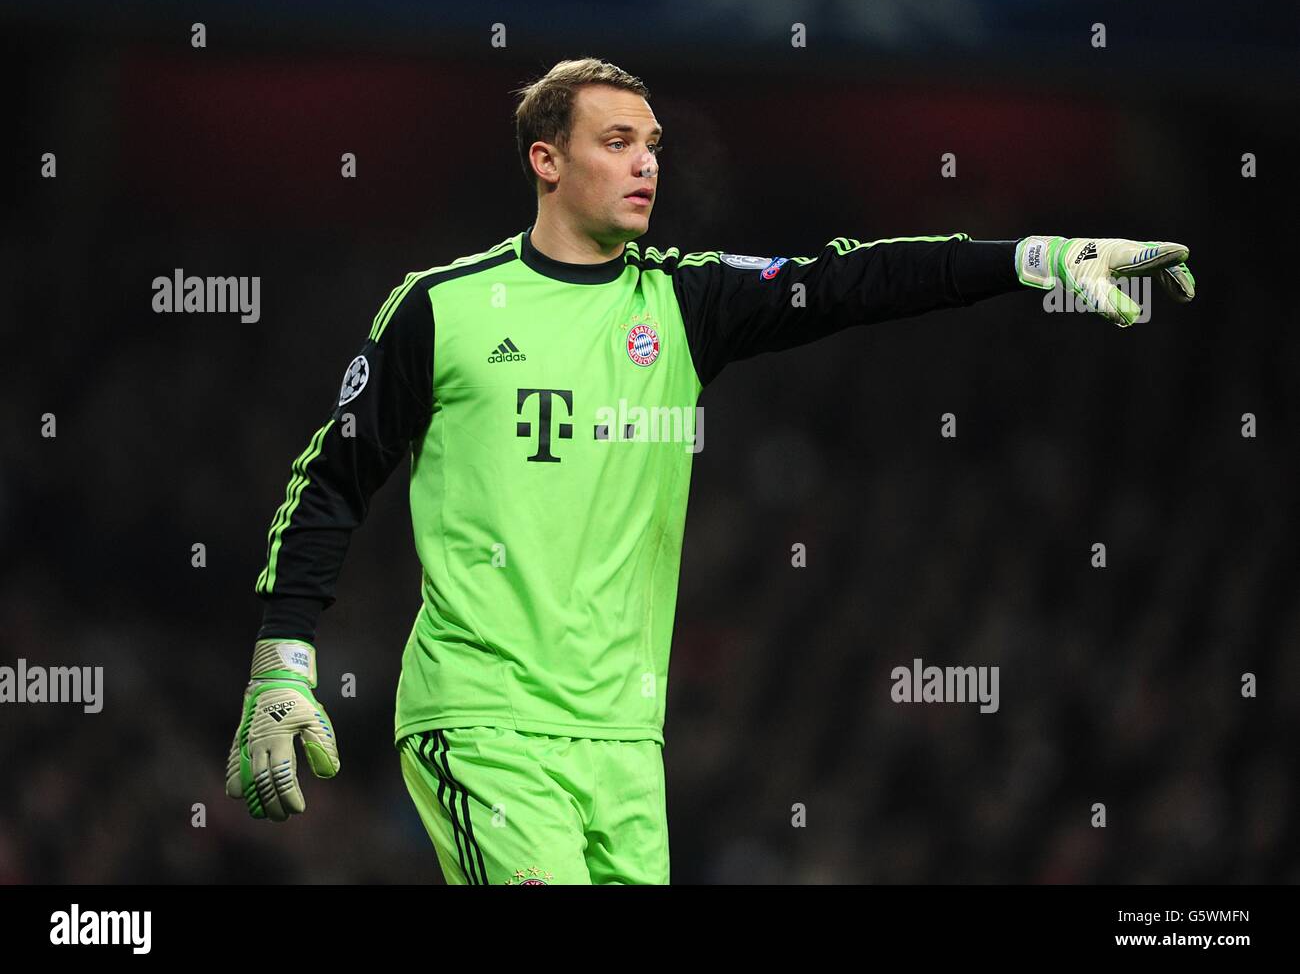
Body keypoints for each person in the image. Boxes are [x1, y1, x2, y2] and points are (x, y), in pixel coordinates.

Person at [225, 56, 1196, 885]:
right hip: (485, 724)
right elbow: (334, 478)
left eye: (651, 143)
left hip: (625, 749)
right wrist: (283, 655)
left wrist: (1030, 258)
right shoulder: (444, 309)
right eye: (615, 141)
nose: (646, 161)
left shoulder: (684, 304)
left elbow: (854, 279)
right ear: (546, 159)